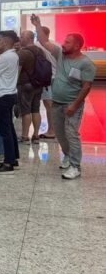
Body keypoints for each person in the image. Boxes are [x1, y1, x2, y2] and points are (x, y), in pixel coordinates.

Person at [40, 27, 95, 179]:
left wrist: (75, 105)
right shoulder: (60, 55)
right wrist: (37, 25)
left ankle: (75, 166)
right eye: (64, 41)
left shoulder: (86, 64)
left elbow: (86, 86)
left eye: (67, 42)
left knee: (71, 134)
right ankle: (68, 156)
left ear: (77, 46)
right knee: (60, 134)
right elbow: (44, 41)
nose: (63, 44)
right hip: (56, 103)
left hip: (72, 105)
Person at [0, 31, 21, 173]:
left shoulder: (6, 57)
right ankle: (13, 157)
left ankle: (8, 162)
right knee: (9, 128)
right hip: (9, 93)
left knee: (4, 130)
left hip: (2, 95)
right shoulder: (13, 55)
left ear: (6, 42)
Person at [30, 16, 62, 140]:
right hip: (56, 78)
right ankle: (55, 129)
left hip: (47, 80)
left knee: (49, 105)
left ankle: (51, 130)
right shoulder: (56, 44)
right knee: (53, 105)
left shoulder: (39, 45)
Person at [16, 31, 46, 144]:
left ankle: (24, 136)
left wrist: (14, 83)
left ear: (29, 38)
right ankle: (36, 135)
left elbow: (17, 70)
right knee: (36, 109)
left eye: (22, 37)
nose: (20, 38)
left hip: (25, 85)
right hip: (38, 84)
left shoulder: (23, 53)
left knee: (25, 111)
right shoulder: (40, 51)